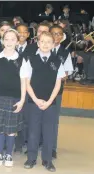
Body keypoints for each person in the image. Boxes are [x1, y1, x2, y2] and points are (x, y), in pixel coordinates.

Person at [23, 32, 65, 172]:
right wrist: (35, 99)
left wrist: (49, 101)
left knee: (49, 132)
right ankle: (31, 158)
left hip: (50, 103)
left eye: (49, 42)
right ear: (38, 43)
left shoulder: (57, 61)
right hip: (33, 102)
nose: (45, 44)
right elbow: (27, 82)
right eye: (43, 41)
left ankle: (47, 160)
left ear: (53, 45)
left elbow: (58, 84)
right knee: (33, 132)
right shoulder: (31, 60)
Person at [0, 29, 28, 167]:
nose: (9, 42)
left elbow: (24, 81)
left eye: (12, 39)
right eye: (7, 39)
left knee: (11, 130)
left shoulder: (22, 60)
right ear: (2, 41)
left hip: (14, 99)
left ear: (17, 41)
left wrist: (22, 100)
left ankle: (9, 154)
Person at [50, 25, 74, 159]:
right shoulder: (41, 49)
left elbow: (65, 73)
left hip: (56, 91)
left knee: (53, 121)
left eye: (59, 34)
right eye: (54, 33)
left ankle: (52, 147)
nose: (57, 36)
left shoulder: (65, 53)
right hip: (39, 90)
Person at [14, 23, 30, 153]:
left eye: (25, 32)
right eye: (19, 32)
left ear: (28, 35)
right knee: (12, 115)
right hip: (11, 87)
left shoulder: (32, 49)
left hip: (26, 86)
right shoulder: (9, 47)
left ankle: (21, 142)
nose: (22, 34)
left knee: (24, 117)